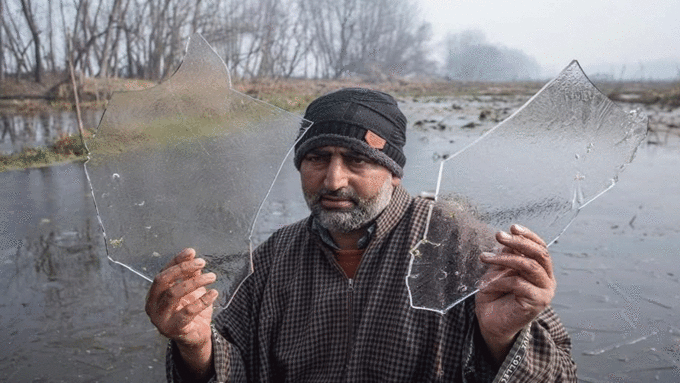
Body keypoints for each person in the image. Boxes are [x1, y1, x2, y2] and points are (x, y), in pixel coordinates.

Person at [146, 88, 577, 382]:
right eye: (317, 157)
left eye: (357, 161)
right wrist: (196, 346)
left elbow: (562, 375)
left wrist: (502, 340)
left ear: (392, 170)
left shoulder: (465, 250)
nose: (333, 181)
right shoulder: (273, 259)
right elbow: (236, 367)